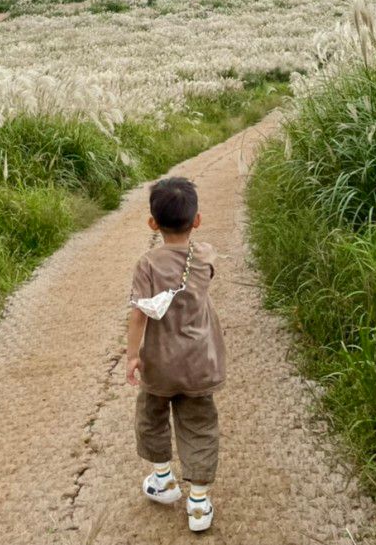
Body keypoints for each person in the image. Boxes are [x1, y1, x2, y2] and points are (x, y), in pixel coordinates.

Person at [126, 176, 226, 533]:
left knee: (152, 416)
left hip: (160, 362)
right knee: (199, 424)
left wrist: (132, 355)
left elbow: (138, 313)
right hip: (200, 361)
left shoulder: (147, 264)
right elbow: (207, 267)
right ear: (196, 220)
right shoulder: (205, 255)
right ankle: (198, 503)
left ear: (152, 223)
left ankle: (163, 481)